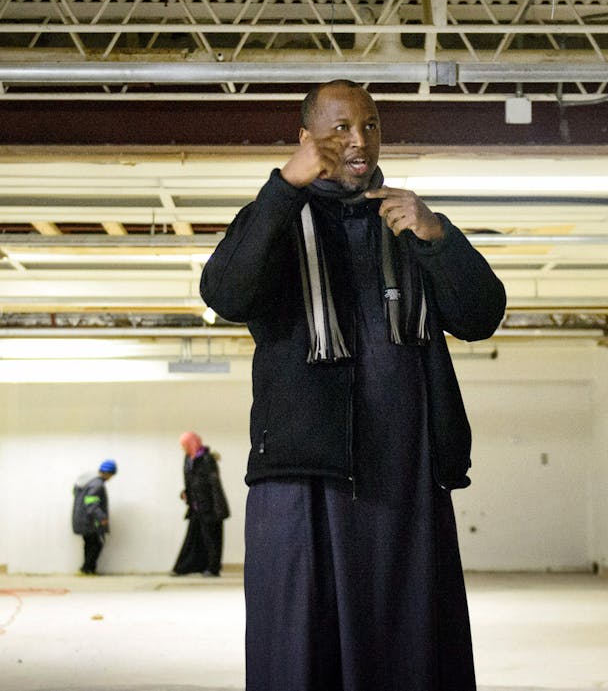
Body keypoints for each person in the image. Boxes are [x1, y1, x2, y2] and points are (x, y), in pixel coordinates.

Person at [200, 79, 506, 691]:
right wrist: (284, 189)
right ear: (307, 137)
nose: (358, 141)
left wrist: (439, 239)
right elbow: (225, 294)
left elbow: (480, 316)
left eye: (369, 125)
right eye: (340, 128)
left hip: (406, 474)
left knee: (409, 652)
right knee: (301, 652)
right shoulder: (277, 219)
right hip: (303, 474)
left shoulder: (410, 223)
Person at [171, 431, 230, 577]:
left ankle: (212, 568)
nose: (183, 448)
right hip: (196, 507)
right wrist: (186, 492)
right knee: (194, 539)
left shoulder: (206, 459)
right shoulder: (188, 459)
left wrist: (218, 509)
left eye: (184, 445)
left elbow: (214, 484)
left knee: (212, 539)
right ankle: (185, 567)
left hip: (210, 507)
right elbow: (192, 482)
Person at [71, 458, 116, 575]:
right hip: (91, 521)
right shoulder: (97, 484)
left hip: (81, 519)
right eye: (112, 475)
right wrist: (102, 518)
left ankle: (88, 570)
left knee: (89, 544)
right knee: (96, 544)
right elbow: (91, 504)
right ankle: (86, 569)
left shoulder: (85, 482)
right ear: (109, 473)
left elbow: (77, 496)